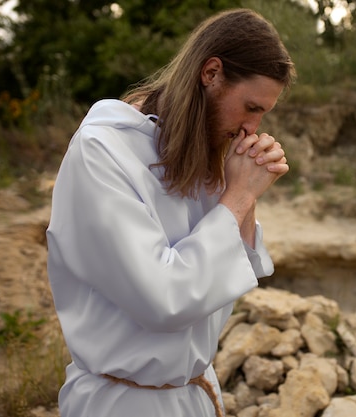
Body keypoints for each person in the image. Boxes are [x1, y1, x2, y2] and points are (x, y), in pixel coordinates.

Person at [46, 8, 296, 417]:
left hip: (195, 393)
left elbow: (240, 267)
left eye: (263, 114)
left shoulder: (200, 149)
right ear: (211, 73)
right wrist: (237, 196)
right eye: (250, 107)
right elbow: (164, 299)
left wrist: (246, 190)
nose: (253, 128)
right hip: (123, 403)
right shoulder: (104, 152)